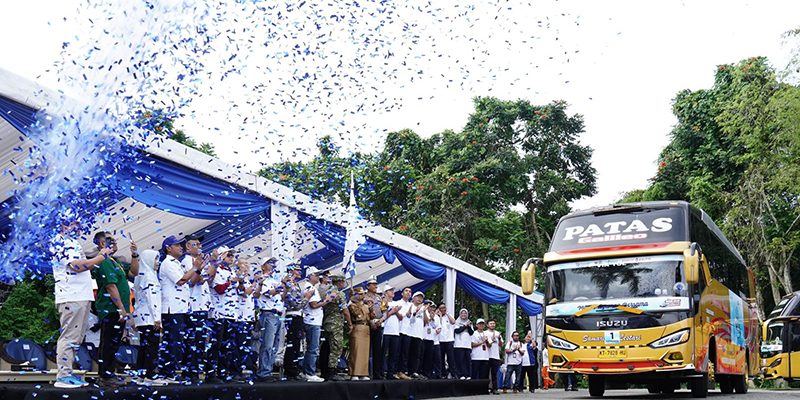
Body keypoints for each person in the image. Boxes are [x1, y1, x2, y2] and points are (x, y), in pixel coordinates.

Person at [51, 217, 111, 389]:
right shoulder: (59, 241)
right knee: (69, 336)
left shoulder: (72, 242)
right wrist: (100, 257)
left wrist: (101, 256)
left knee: (76, 337)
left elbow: (86, 265)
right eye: (73, 222)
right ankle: (63, 376)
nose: (77, 225)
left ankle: (68, 373)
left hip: (81, 295)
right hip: (72, 295)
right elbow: (77, 266)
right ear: (63, 224)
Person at [93, 233, 139, 387]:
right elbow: (110, 286)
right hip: (111, 309)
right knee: (109, 343)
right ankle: (106, 376)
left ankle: (108, 374)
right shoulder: (105, 261)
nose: (114, 242)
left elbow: (133, 272)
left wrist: (134, 254)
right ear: (101, 243)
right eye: (110, 240)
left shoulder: (114, 260)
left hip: (118, 310)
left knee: (113, 342)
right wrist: (121, 309)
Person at [158, 235, 201, 383]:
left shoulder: (176, 263)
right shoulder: (168, 263)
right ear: (168, 248)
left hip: (180, 308)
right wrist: (195, 268)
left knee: (177, 341)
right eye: (177, 245)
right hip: (172, 309)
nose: (180, 247)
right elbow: (181, 281)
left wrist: (197, 270)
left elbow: (188, 282)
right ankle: (166, 372)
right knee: (172, 341)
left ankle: (169, 371)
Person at [132, 249, 166, 386]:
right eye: (155, 259)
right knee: (152, 347)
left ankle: (141, 375)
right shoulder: (149, 276)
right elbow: (153, 298)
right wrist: (157, 318)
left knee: (144, 347)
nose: (158, 262)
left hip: (142, 317)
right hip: (150, 317)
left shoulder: (141, 275)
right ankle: (151, 375)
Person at [181, 234, 212, 383]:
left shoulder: (198, 261)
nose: (199, 247)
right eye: (196, 244)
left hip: (202, 306)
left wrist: (212, 265)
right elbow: (193, 281)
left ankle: (195, 370)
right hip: (193, 307)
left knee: (200, 341)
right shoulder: (187, 262)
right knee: (193, 340)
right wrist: (199, 269)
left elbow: (208, 279)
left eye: (200, 244)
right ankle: (190, 372)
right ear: (187, 246)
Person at [207, 246, 238, 383]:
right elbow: (219, 289)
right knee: (216, 345)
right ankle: (211, 373)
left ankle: (223, 372)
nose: (232, 257)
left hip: (230, 313)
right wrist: (231, 282)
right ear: (221, 256)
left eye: (232, 255)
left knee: (227, 345)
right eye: (229, 255)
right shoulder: (216, 270)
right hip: (218, 313)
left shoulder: (230, 270)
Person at [253, 258, 283, 383]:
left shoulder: (274, 280)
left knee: (274, 346)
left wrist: (284, 287)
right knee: (267, 344)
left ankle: (268, 370)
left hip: (277, 314)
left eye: (273, 263)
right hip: (268, 313)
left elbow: (282, 296)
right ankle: (263, 372)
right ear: (263, 266)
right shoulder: (261, 279)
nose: (272, 265)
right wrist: (279, 289)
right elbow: (267, 293)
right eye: (269, 263)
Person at [282, 263, 311, 381]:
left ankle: (293, 369)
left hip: (297, 316)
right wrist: (307, 298)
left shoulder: (296, 285)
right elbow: (295, 305)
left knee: (296, 344)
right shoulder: (289, 285)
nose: (300, 272)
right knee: (292, 343)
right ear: (291, 271)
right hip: (292, 315)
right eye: (297, 270)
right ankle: (290, 370)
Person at [301, 266, 329, 382]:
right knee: (313, 348)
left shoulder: (311, 287)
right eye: (316, 275)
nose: (318, 277)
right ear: (310, 276)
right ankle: (310, 372)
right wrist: (326, 301)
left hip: (313, 320)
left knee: (312, 348)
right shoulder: (309, 287)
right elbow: (313, 305)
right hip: (312, 321)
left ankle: (307, 371)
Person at [319, 274, 349, 381]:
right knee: (336, 348)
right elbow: (345, 310)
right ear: (339, 282)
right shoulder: (339, 293)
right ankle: (332, 371)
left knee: (326, 347)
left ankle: (324, 371)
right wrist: (350, 324)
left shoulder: (325, 292)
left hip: (327, 322)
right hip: (336, 324)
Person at [232, 258, 256, 381]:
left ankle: (241, 369)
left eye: (247, 264)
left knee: (245, 344)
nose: (247, 266)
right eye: (244, 264)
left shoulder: (246, 279)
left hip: (248, 316)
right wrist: (255, 283)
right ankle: (235, 371)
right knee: (238, 344)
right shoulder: (237, 279)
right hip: (239, 317)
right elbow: (244, 292)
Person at [347, 287, 374, 380]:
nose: (362, 296)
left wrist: (371, 308)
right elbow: (356, 313)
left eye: (363, 294)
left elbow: (371, 317)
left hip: (366, 328)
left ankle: (363, 373)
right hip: (357, 327)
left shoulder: (366, 305)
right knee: (356, 350)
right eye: (360, 294)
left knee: (365, 351)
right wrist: (359, 303)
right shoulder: (352, 305)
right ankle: (354, 373)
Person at [380, 285, 406, 380]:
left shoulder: (396, 303)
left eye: (392, 290)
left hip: (395, 332)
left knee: (393, 354)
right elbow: (383, 316)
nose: (392, 292)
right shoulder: (383, 303)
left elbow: (401, 317)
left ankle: (390, 373)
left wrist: (396, 312)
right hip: (385, 331)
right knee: (383, 353)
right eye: (390, 290)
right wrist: (393, 311)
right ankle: (381, 372)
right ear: (386, 292)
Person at [364, 276, 384, 380]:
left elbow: (384, 310)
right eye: (373, 284)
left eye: (376, 284)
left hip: (378, 324)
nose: (376, 286)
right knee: (366, 350)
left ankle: (377, 374)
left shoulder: (379, 298)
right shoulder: (364, 297)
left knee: (377, 350)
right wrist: (371, 321)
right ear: (368, 286)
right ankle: (365, 373)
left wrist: (381, 321)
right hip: (367, 325)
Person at [406, 291, 427, 379]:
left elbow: (426, 322)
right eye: (417, 297)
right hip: (410, 333)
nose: (419, 299)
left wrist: (424, 312)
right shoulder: (410, 306)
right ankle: (407, 371)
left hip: (419, 335)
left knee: (417, 355)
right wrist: (417, 311)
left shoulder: (423, 309)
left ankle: (414, 371)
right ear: (413, 298)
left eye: (421, 297)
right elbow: (410, 320)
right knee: (408, 353)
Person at [397, 287, 413, 378]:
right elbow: (399, 316)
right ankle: (395, 371)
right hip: (399, 330)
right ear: (402, 293)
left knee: (405, 353)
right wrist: (406, 314)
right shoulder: (398, 303)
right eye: (406, 291)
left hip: (408, 331)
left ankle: (402, 372)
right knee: (397, 352)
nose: (408, 292)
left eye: (410, 291)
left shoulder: (411, 305)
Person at [436, 303, 456, 379]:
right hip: (440, 340)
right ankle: (443, 373)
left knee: (451, 358)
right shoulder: (437, 317)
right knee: (441, 358)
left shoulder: (448, 315)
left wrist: (447, 313)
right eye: (441, 308)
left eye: (444, 308)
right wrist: (440, 315)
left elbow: (453, 322)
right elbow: (439, 325)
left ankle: (453, 373)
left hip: (449, 340)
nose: (442, 309)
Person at [453, 308, 473, 380]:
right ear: (460, 314)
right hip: (459, 345)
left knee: (467, 361)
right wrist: (465, 326)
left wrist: (468, 326)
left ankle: (468, 374)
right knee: (460, 361)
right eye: (462, 313)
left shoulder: (469, 322)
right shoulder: (457, 322)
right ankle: (460, 374)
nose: (464, 314)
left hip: (467, 345)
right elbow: (457, 331)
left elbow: (471, 333)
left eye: (465, 313)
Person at [486, 320, 504, 395]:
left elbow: (501, 345)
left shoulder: (497, 333)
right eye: (491, 323)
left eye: (493, 323)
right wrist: (492, 340)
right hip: (487, 356)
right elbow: (487, 344)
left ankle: (495, 388)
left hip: (496, 356)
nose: (492, 325)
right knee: (486, 373)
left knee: (494, 374)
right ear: (487, 325)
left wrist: (499, 338)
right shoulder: (485, 333)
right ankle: (486, 388)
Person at [420, 300, 436, 379]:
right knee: (422, 356)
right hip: (423, 337)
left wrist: (433, 318)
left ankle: (428, 373)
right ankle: (421, 372)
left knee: (429, 357)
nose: (431, 308)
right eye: (429, 306)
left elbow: (434, 326)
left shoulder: (433, 315)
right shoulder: (422, 312)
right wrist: (425, 312)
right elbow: (425, 322)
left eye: (432, 307)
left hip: (431, 338)